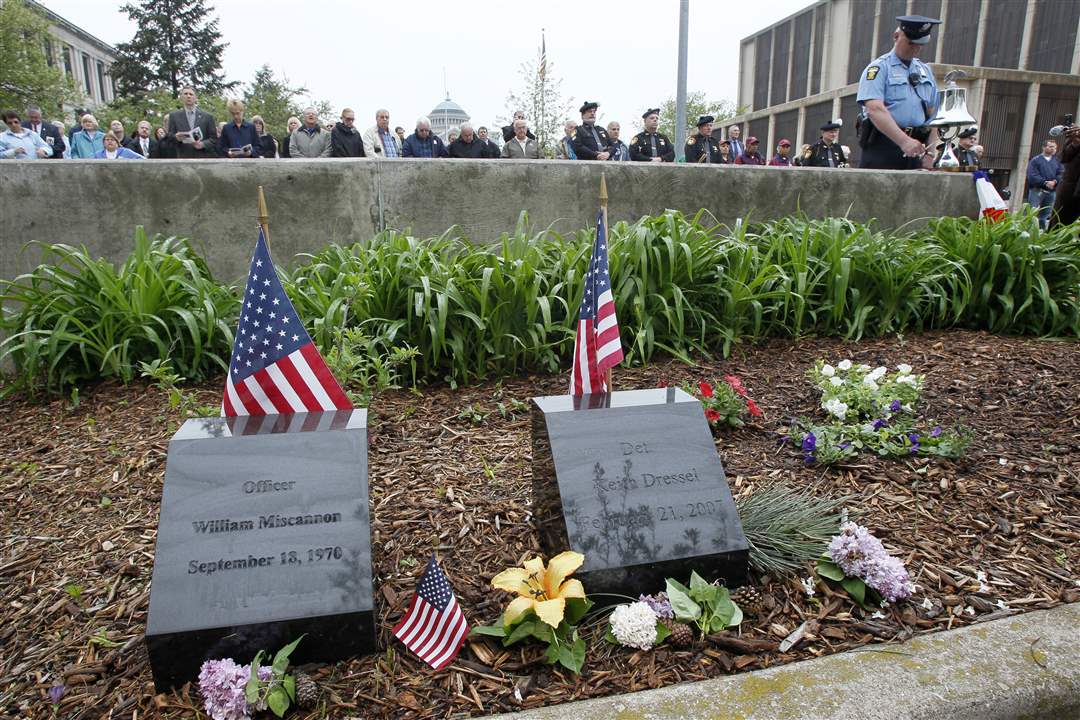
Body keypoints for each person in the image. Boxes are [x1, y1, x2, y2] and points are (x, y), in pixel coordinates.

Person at [857, 15, 941, 170]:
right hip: (884, 146)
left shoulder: (925, 71)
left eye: (920, 44)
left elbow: (934, 116)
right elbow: (874, 109)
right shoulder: (879, 69)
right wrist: (904, 141)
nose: (916, 48)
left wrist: (930, 153)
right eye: (911, 43)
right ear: (896, 36)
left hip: (918, 148)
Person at [167, 86, 218, 158]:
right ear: (181, 97)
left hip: (203, 158)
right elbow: (169, 137)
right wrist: (175, 137)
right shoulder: (174, 116)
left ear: (195, 98)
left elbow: (214, 139)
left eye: (191, 94)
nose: (188, 96)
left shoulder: (207, 117)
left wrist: (203, 144)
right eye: (185, 94)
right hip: (183, 158)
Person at [1027, 139, 1063, 230]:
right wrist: (1045, 182)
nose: (1053, 149)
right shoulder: (1035, 160)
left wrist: (1055, 181)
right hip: (1037, 190)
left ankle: (1041, 231)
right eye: (1050, 146)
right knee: (1032, 212)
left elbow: (1061, 173)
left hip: (1051, 191)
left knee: (1045, 213)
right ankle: (1030, 231)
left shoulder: (1057, 161)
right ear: (1044, 147)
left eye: (1055, 147)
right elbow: (1032, 175)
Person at [1049, 126, 1080, 229]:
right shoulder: (1077, 135)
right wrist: (1076, 142)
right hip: (1069, 190)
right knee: (1057, 226)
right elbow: (1063, 158)